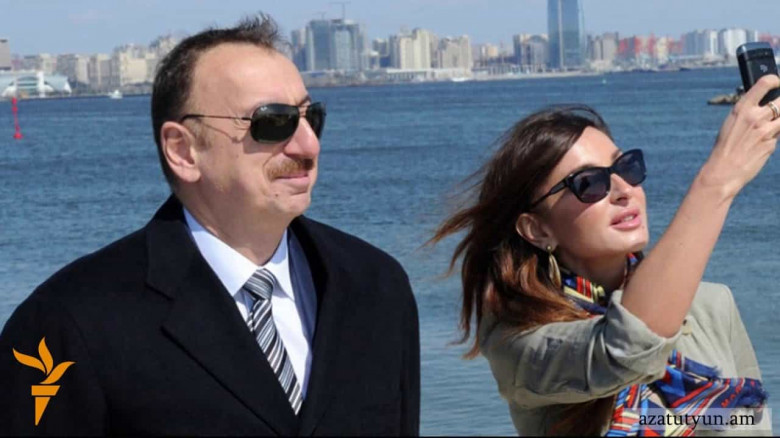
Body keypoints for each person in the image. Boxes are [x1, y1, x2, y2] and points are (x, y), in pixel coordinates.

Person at [0, 15, 419, 435]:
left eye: (312, 118)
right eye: (274, 122)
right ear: (183, 151)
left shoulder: (377, 288)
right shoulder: (69, 321)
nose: (309, 144)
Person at [431, 76, 780, 435]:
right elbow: (630, 348)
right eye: (589, 183)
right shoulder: (518, 339)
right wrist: (717, 182)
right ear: (537, 229)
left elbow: (753, 426)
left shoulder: (712, 305)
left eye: (626, 167)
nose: (623, 190)